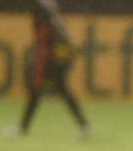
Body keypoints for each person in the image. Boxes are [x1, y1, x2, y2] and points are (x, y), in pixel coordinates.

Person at [10, 0, 90, 138]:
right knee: (46, 90)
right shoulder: (51, 12)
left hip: (53, 58)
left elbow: (56, 37)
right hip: (55, 56)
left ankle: (84, 126)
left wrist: (46, 57)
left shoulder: (45, 14)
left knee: (48, 90)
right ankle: (84, 126)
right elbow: (62, 34)